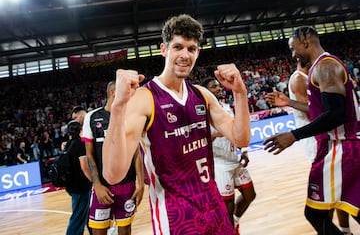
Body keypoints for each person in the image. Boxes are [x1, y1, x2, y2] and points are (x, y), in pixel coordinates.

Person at [102, 14, 250, 235]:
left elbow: (241, 138)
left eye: (191, 49)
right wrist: (118, 106)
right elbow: (113, 174)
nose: (185, 55)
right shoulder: (144, 99)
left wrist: (240, 92)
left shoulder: (202, 95)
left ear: (198, 52)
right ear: (164, 49)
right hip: (176, 217)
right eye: (178, 47)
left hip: (214, 207)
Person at [263, 26, 360, 234]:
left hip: (341, 147)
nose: (293, 54)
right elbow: (321, 110)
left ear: (305, 41)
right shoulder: (321, 66)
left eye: (293, 48)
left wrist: (294, 135)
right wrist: (289, 102)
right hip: (342, 146)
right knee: (350, 207)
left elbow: (336, 114)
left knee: (315, 212)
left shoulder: (325, 66)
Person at [82, 81, 144, 235]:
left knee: (125, 231)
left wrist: (141, 184)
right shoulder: (92, 117)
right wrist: (96, 184)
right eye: (127, 92)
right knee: (98, 231)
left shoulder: (130, 116)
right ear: (113, 92)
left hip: (127, 185)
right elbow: (89, 155)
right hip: (103, 187)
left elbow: (136, 152)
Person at [201, 77, 255, 235]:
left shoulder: (225, 106)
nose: (218, 89)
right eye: (213, 87)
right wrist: (219, 132)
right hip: (220, 164)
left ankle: (235, 222)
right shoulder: (203, 111)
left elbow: (237, 129)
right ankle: (230, 231)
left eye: (218, 86)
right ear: (206, 91)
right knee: (228, 206)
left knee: (250, 195)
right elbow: (201, 138)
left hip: (235, 159)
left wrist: (244, 150)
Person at [63, 120, 93, 235]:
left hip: (71, 184)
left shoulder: (67, 145)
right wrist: (94, 181)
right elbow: (84, 166)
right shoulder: (80, 144)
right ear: (80, 130)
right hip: (80, 185)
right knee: (78, 216)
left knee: (85, 214)